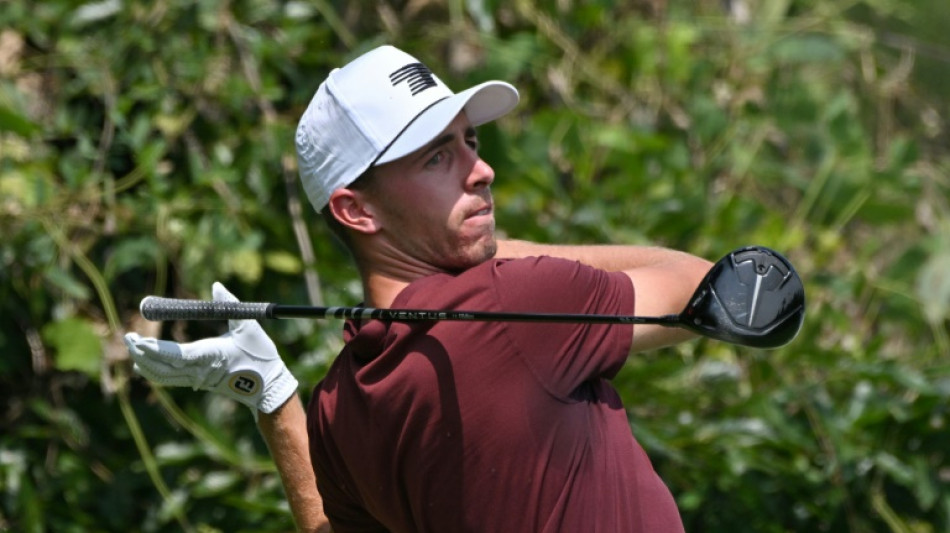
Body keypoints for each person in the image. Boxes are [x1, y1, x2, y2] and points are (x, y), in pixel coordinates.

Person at [126, 45, 713, 532]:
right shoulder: (512, 305)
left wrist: (276, 402)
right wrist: (503, 253)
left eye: (470, 142)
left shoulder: (338, 407)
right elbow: (703, 287)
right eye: (437, 157)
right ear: (357, 211)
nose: (480, 170)